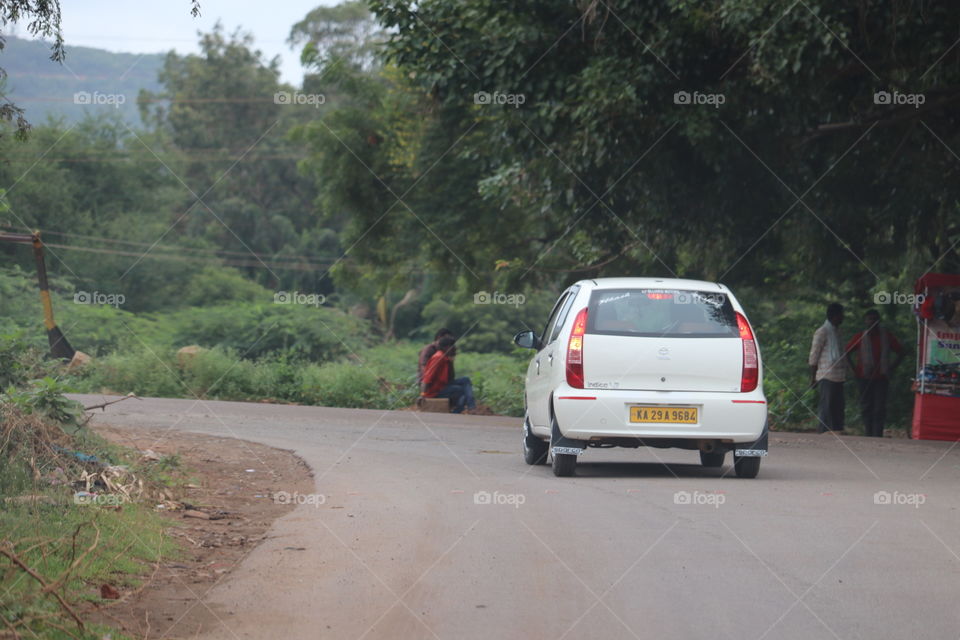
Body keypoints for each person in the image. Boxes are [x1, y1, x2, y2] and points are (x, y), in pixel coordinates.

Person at [845, 309, 905, 437]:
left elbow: (901, 352)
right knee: (866, 406)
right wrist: (854, 370)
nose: (872, 322)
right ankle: (868, 434)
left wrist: (891, 368)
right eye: (869, 319)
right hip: (863, 377)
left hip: (881, 378)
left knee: (879, 408)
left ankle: (877, 435)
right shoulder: (860, 337)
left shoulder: (886, 336)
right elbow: (846, 353)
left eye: (874, 319)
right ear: (865, 321)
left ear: (879, 321)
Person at [809, 303, 847, 433]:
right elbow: (814, 356)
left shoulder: (838, 332)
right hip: (826, 375)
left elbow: (842, 353)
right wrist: (813, 378)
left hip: (839, 376)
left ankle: (837, 432)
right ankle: (823, 432)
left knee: (838, 407)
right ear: (835, 316)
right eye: (841, 315)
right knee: (827, 407)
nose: (843, 317)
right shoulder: (822, 332)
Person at [421, 336, 476, 414]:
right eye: (453, 346)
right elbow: (427, 378)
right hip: (436, 391)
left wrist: (451, 362)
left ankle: (471, 407)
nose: (455, 348)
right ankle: (459, 411)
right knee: (461, 390)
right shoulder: (438, 358)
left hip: (443, 386)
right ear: (446, 347)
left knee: (465, 380)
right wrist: (422, 394)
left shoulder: (445, 357)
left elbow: (451, 377)